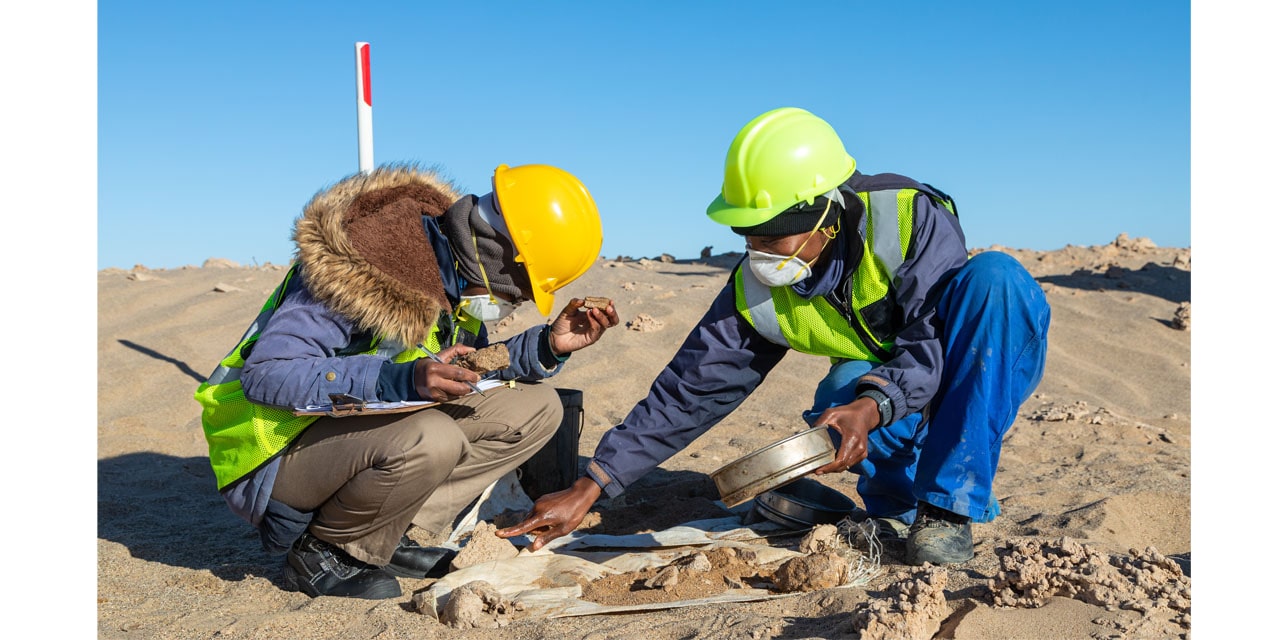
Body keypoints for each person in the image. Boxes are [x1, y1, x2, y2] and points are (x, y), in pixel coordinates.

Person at [499, 107, 1051, 566]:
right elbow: (691, 389)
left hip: (972, 362)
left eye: (773, 237)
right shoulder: (757, 285)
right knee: (841, 393)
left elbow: (930, 343)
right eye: (748, 235)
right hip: (877, 387)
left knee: (995, 280)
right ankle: (897, 505)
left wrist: (875, 404)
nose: (759, 251)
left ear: (825, 218)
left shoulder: (908, 219)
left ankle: (949, 508)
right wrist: (592, 484)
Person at [194, 162, 619, 599]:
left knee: (537, 408)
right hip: (270, 450)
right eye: (521, 290)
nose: (519, 301)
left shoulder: (453, 270)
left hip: (349, 432)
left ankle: (389, 532)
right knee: (432, 437)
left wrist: (549, 345)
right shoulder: (358, 264)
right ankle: (326, 553)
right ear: (498, 256)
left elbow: (469, 366)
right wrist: (400, 379)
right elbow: (268, 374)